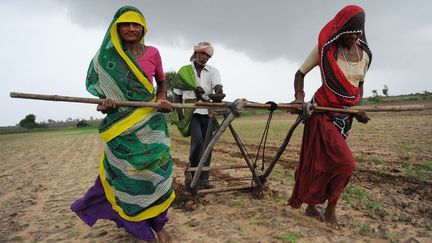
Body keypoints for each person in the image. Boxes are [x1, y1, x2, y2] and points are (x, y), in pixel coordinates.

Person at [70, 6, 174, 243]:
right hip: (122, 129)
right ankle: (139, 226)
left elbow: (161, 84)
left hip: (151, 124)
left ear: (142, 28)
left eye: (135, 24)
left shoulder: (153, 52)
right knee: (125, 178)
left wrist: (162, 100)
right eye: (125, 24)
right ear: (116, 28)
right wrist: (105, 103)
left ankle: (158, 225)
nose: (130, 28)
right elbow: (103, 101)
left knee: (156, 174)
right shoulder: (108, 59)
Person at [287, 5, 372, 229]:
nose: (354, 37)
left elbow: (359, 86)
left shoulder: (365, 56)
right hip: (323, 113)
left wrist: (358, 108)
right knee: (346, 164)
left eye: (358, 32)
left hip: (345, 118)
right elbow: (299, 74)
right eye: (350, 32)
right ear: (341, 28)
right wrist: (299, 98)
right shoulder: (325, 49)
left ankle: (311, 205)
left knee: (323, 164)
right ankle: (331, 209)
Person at [172, 42, 223, 190]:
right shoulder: (184, 71)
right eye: (202, 54)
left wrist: (219, 93)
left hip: (208, 112)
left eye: (207, 55)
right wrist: (180, 116)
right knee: (198, 143)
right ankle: (192, 178)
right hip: (192, 112)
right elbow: (177, 94)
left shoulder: (213, 71)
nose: (204, 57)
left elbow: (218, 87)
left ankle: (204, 181)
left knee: (208, 146)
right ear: (195, 53)